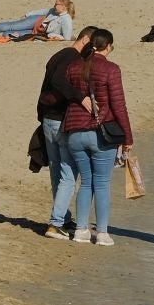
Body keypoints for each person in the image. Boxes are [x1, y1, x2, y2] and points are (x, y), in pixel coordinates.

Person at [62, 28, 131, 247]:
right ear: (108, 46)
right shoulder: (111, 69)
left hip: (74, 131)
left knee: (86, 181)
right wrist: (127, 136)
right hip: (101, 133)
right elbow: (118, 106)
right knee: (102, 183)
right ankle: (101, 233)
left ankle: (81, 229)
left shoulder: (73, 67)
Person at [36, 26, 96, 239]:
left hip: (48, 120)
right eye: (93, 46)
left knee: (57, 174)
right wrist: (81, 98)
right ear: (86, 40)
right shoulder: (72, 58)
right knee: (68, 174)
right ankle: (56, 224)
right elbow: (57, 82)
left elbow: (46, 87)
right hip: (60, 122)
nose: (93, 52)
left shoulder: (58, 55)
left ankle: (63, 217)